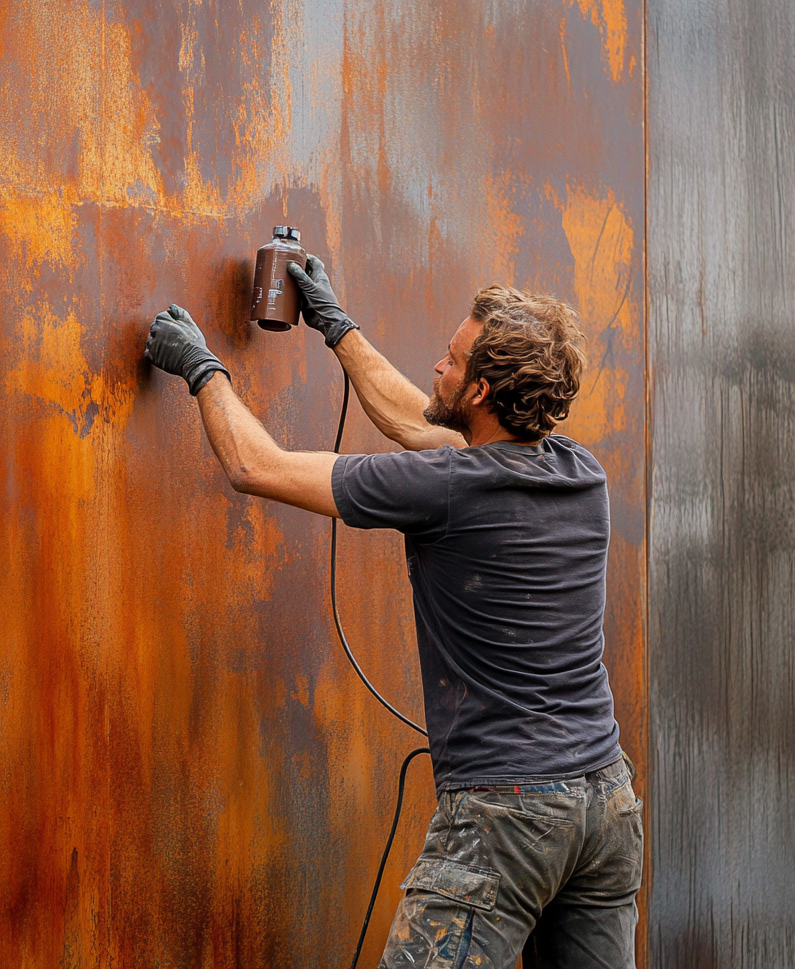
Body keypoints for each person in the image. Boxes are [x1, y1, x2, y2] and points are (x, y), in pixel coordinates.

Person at [143, 255, 643, 969]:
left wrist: (201, 368)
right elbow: (420, 424)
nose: (436, 364)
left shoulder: (447, 488)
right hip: (605, 807)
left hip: (509, 817)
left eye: (451, 358)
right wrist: (335, 325)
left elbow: (258, 467)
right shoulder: (576, 471)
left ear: (480, 390)